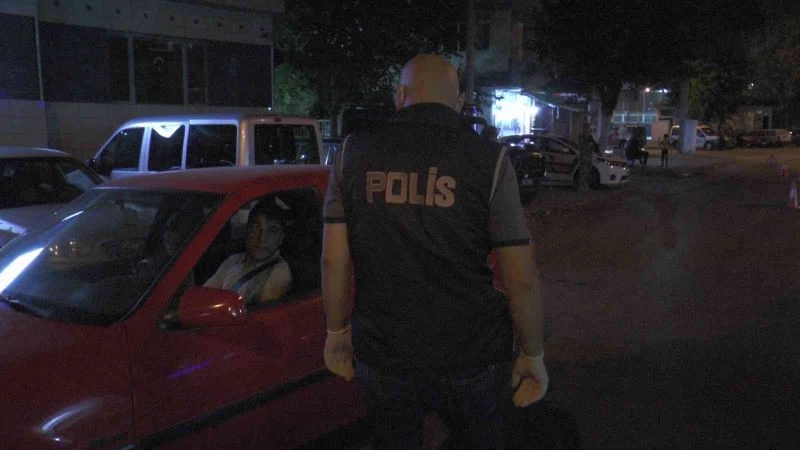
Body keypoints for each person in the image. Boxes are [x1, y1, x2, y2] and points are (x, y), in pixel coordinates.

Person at [322, 54, 548, 449]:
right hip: (469, 354)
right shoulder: (489, 160)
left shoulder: (351, 155)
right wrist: (533, 352)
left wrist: (336, 331)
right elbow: (521, 278)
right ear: (458, 103)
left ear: (400, 95)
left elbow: (333, 260)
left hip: (384, 352)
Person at [203, 198, 292, 305]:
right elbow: (205, 296)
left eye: (272, 230)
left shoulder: (278, 273)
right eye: (256, 227)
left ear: (281, 238)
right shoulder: (233, 260)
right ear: (247, 230)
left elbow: (264, 313)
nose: (262, 238)